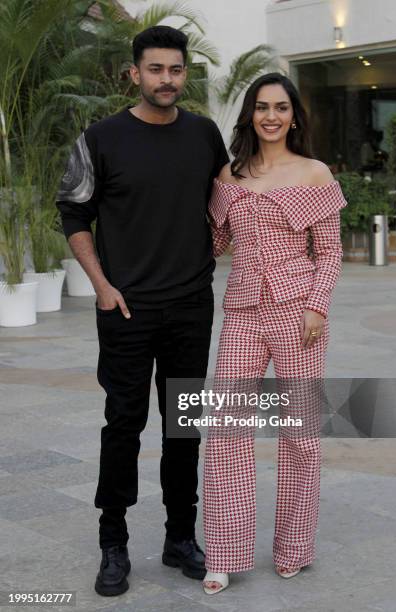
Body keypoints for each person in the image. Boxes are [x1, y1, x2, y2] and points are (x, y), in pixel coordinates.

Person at [56, 25, 229, 597]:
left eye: (175, 70)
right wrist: (102, 287)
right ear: (135, 74)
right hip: (125, 308)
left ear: (185, 74)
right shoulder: (100, 139)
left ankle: (181, 537)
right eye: (155, 70)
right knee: (123, 426)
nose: (166, 80)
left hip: (189, 307)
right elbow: (74, 216)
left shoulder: (205, 135)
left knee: (184, 429)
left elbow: (229, 202)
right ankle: (114, 543)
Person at [202, 73, 347, 595]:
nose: (271, 116)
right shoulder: (230, 175)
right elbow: (214, 243)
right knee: (226, 430)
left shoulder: (314, 173)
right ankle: (222, 552)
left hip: (298, 315)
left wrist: (316, 308)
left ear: (293, 115)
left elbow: (329, 253)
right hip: (242, 311)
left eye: (281, 107)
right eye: (262, 107)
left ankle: (293, 548)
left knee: (301, 434)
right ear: (249, 114)